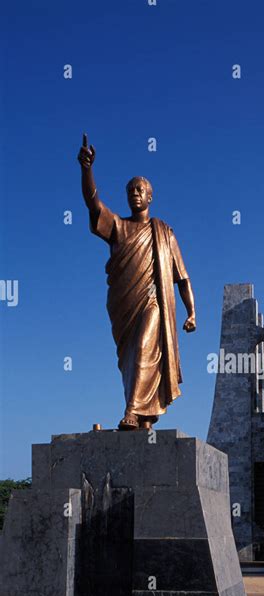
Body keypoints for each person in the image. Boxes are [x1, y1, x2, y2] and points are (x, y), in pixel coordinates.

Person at [78, 134, 196, 430]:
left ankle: (132, 410)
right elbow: (93, 205)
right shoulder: (119, 227)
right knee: (131, 361)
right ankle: (145, 418)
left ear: (150, 197)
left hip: (154, 301)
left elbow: (181, 276)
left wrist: (191, 311)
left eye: (140, 189)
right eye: (130, 190)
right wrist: (86, 169)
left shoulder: (164, 232)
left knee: (146, 346)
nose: (134, 193)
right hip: (123, 304)